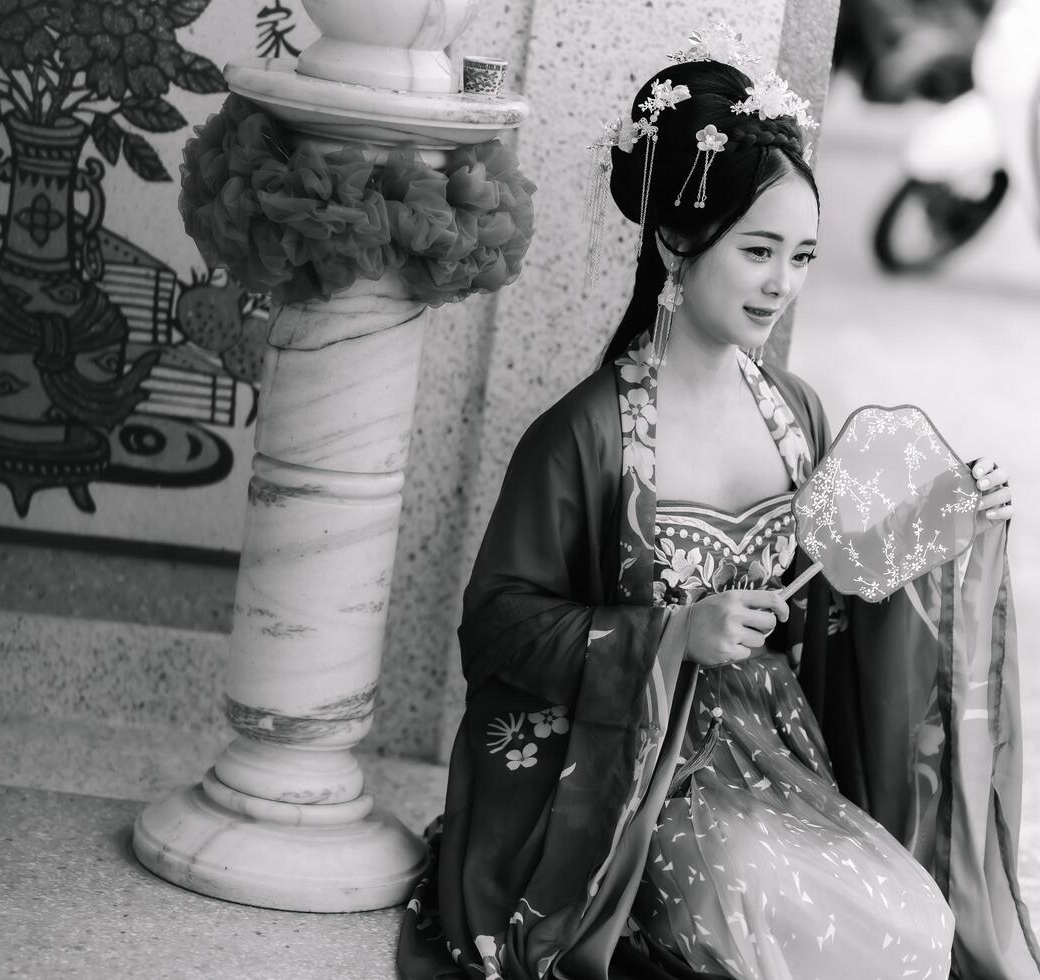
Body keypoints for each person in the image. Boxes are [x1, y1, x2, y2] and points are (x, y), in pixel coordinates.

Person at [397, 35, 1036, 980]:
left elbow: (828, 602)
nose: (784, 283)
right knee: (783, 917)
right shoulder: (588, 435)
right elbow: (496, 627)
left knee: (909, 919)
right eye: (760, 250)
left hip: (780, 749)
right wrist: (671, 634)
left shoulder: (795, 414)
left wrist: (939, 526)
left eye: (804, 254)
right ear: (672, 243)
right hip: (638, 774)